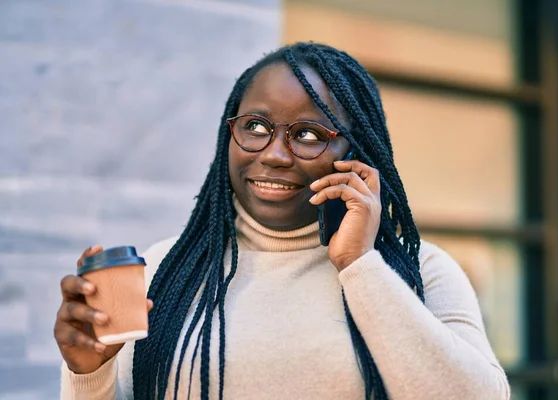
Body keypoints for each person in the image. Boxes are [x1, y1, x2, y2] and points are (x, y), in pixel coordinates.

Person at [55, 42, 510, 399]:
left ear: (355, 156)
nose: (273, 154)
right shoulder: (164, 271)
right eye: (255, 126)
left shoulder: (419, 272)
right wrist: (88, 374)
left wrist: (359, 264)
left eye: (308, 135)